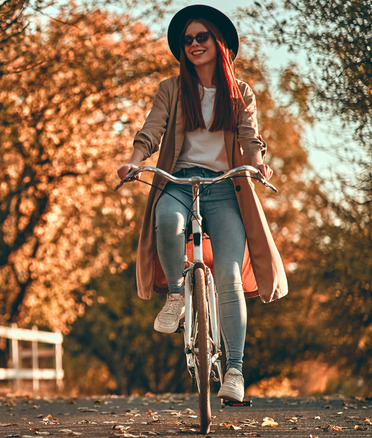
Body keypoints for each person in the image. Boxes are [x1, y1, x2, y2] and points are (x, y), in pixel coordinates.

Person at [116, 5, 288, 401]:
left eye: (201, 37)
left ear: (218, 43)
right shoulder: (171, 89)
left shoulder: (240, 92)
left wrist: (259, 165)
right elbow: (151, 130)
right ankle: (177, 295)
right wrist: (135, 160)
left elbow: (250, 137)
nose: (193, 44)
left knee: (228, 275)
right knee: (167, 221)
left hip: (227, 187)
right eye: (187, 40)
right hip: (180, 179)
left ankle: (234, 371)